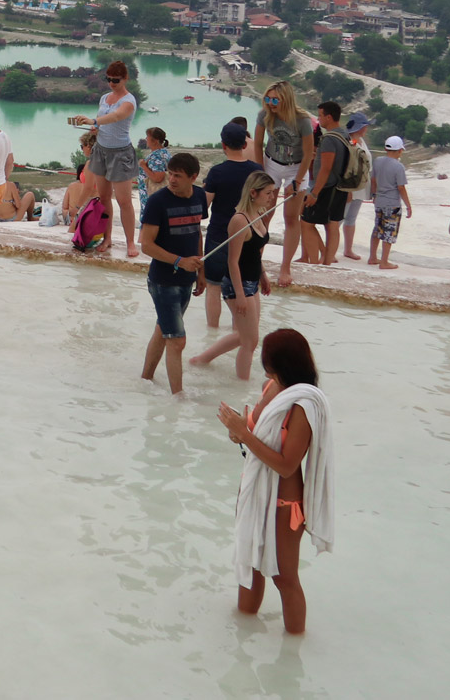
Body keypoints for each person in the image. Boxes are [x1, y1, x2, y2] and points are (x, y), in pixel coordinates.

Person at [217, 328, 334, 635]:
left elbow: (286, 465)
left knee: (284, 578)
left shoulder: (302, 406)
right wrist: (238, 433)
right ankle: (243, 637)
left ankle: (294, 650)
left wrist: (243, 433)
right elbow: (255, 436)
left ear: (275, 364)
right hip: (253, 491)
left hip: (284, 505)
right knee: (250, 565)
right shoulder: (271, 387)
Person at [191, 172, 277, 380]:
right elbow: (232, 260)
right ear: (253, 193)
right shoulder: (239, 220)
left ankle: (201, 359)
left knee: (246, 337)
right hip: (236, 284)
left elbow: (255, 253)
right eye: (268, 193)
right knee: (250, 341)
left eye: (273, 193)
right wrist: (239, 294)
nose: (272, 197)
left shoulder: (259, 215)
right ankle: (242, 385)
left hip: (251, 280)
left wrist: (262, 275)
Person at [140, 152, 206, 394]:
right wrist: (180, 261)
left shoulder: (199, 196)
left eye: (178, 176)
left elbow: (197, 231)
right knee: (177, 340)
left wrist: (200, 271)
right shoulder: (158, 202)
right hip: (163, 281)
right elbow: (146, 244)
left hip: (188, 278)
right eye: (170, 174)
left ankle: (145, 379)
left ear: (193, 177)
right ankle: (178, 398)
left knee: (163, 329)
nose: (172, 179)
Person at [68, 61, 139, 258]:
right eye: (108, 79)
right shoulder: (104, 98)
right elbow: (105, 121)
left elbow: (117, 117)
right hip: (101, 150)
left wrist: (95, 121)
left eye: (116, 80)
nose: (111, 83)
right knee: (104, 198)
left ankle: (130, 242)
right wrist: (94, 127)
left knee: (124, 200)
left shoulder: (129, 101)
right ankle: (107, 238)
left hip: (120, 153)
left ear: (125, 79)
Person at [197, 121, 263, 329]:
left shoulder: (217, 172)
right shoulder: (256, 171)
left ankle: (212, 331)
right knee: (247, 288)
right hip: (248, 237)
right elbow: (263, 207)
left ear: (223, 145)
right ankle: (242, 331)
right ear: (245, 145)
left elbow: (203, 207)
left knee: (214, 287)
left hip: (219, 235)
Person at [253, 81, 314, 268]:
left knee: (290, 217)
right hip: (272, 162)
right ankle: (256, 261)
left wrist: (296, 180)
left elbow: (308, 152)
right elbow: (257, 144)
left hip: (297, 167)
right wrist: (260, 172)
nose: (270, 103)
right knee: (264, 214)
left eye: (275, 100)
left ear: (285, 100)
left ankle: (285, 266)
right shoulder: (264, 115)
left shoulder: (302, 120)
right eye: (268, 98)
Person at [289, 102, 349, 280]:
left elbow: (326, 168)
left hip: (326, 187)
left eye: (321, 115)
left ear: (329, 117)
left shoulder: (330, 139)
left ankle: (314, 262)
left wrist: (315, 192)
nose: (319, 119)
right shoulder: (345, 134)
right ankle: (327, 263)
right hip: (340, 187)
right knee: (333, 224)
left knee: (306, 222)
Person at [367, 136, 412, 269]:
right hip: (392, 203)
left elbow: (373, 180)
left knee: (377, 229)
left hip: (379, 201)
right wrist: (408, 205)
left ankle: (372, 257)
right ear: (399, 150)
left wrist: (374, 195)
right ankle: (384, 262)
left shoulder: (378, 161)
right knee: (389, 232)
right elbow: (401, 188)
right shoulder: (398, 167)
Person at [337, 114, 374, 261]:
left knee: (351, 218)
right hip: (350, 185)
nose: (367, 128)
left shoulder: (361, 141)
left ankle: (348, 249)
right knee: (339, 219)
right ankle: (330, 249)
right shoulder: (349, 142)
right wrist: (347, 190)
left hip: (361, 185)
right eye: (365, 126)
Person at [136, 126, 170, 209]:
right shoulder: (163, 152)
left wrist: (143, 166)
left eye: (148, 137)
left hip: (152, 196)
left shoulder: (157, 156)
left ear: (155, 141)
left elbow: (158, 178)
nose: (146, 139)